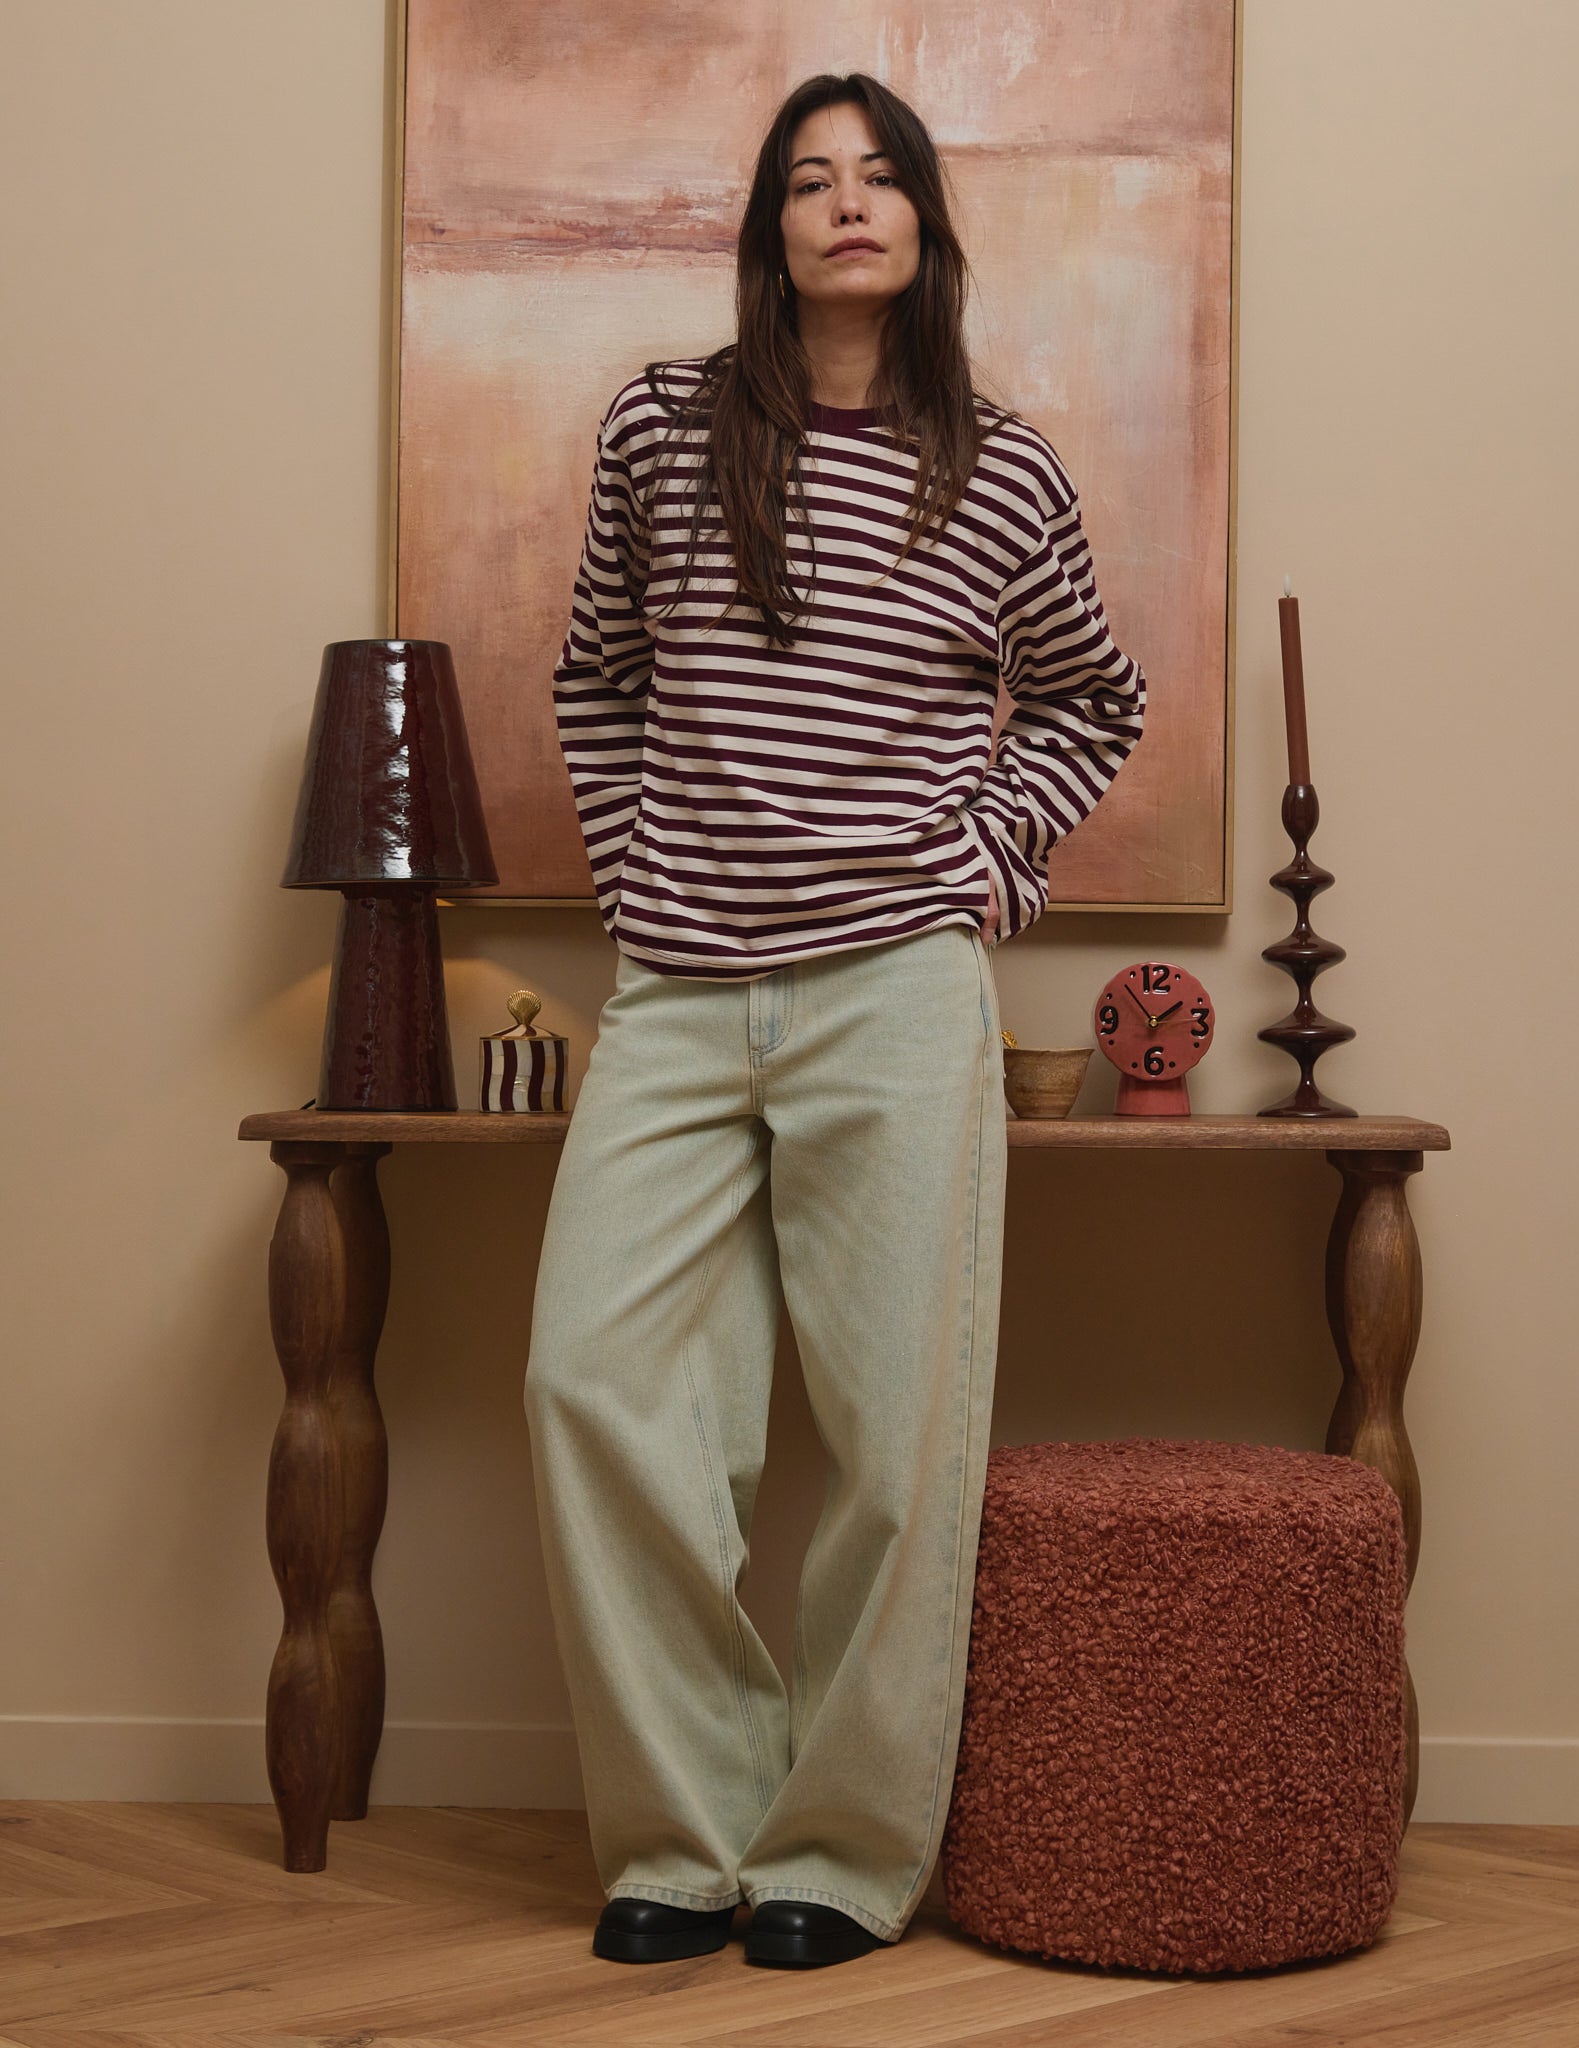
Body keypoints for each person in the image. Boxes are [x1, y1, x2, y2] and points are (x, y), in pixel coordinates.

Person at [523, 70, 1146, 1971]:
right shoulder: (663, 426)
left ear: (924, 223)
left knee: (896, 1439)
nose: (845, 203)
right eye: (808, 180)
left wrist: (985, 867)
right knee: (593, 1386)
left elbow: (1090, 701)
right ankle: (685, 1834)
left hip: (893, 990)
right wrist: (633, 879)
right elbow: (597, 677)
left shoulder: (1002, 470)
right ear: (770, 231)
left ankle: (841, 1855)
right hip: (677, 992)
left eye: (878, 177)